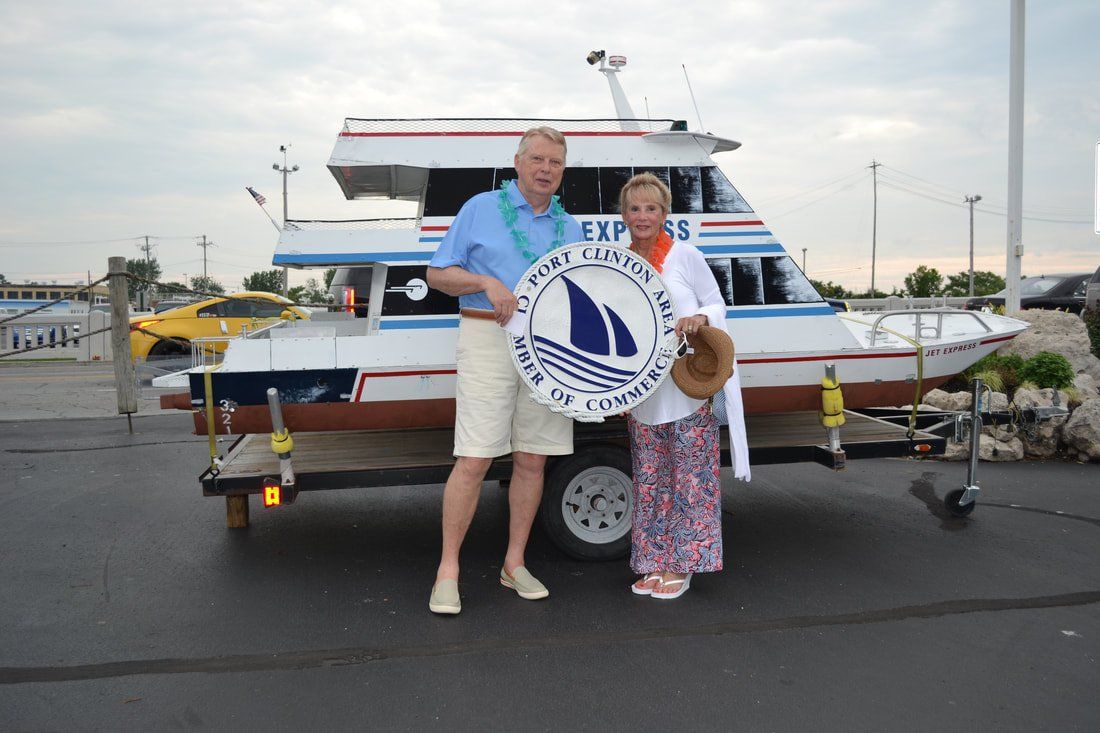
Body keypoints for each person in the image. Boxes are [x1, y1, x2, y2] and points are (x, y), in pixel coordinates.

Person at [424, 127, 585, 615]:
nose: (546, 169)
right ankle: (447, 572)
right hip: (486, 336)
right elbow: (437, 274)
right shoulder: (480, 208)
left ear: (563, 170)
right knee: (474, 459)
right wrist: (485, 282)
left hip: (549, 348)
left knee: (533, 459)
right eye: (537, 159)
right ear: (517, 163)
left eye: (555, 162)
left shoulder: (570, 227)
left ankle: (514, 563)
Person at [617, 172, 750, 600]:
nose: (642, 216)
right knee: (650, 480)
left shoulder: (684, 255)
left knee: (691, 480)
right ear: (624, 215)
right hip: (644, 391)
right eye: (634, 208)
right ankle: (654, 561)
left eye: (651, 208)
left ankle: (683, 563)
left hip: (688, 387)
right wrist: (616, 387)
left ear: (664, 214)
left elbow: (716, 302)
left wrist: (700, 318)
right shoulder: (620, 262)